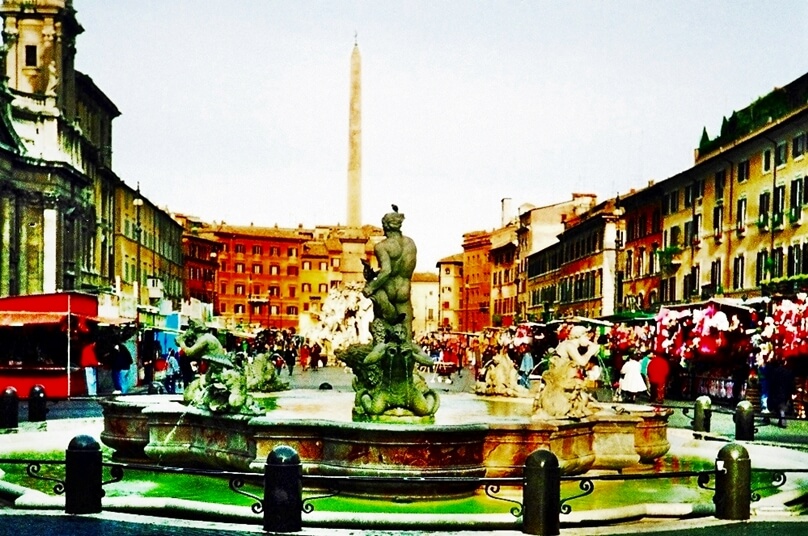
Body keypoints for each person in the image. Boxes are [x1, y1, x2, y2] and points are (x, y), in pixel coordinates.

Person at [362, 205, 417, 338]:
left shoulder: (382, 246)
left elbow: (386, 271)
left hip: (389, 290)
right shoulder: (411, 244)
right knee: (406, 332)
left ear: (385, 226)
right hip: (404, 290)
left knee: (381, 330)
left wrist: (371, 287)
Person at [767, 358, 794, 428]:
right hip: (784, 392)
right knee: (782, 406)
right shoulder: (789, 372)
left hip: (776, 392)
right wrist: (792, 392)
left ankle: (780, 418)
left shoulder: (774, 371)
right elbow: (791, 384)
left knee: (777, 407)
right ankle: (782, 419)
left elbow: (771, 383)